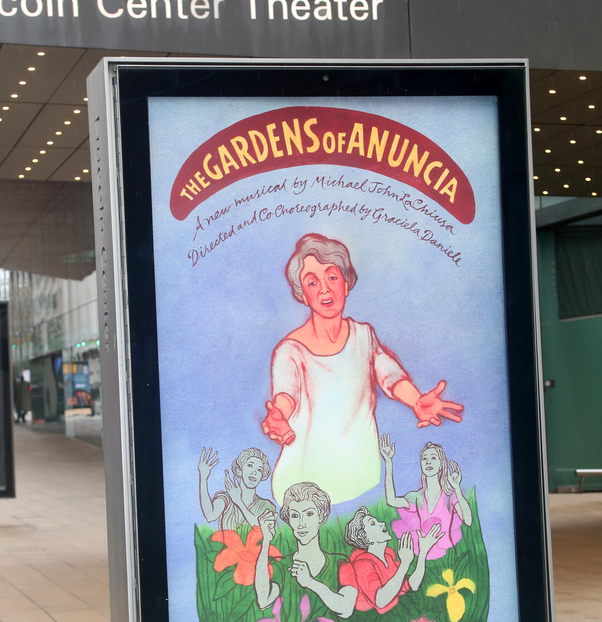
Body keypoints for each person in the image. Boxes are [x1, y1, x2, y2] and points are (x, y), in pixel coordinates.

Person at [262, 233, 463, 505]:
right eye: (312, 282)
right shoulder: (289, 351)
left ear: (346, 284)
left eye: (332, 277)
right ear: (303, 295)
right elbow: (286, 397)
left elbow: (390, 377)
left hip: (361, 481)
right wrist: (278, 417)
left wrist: (416, 401)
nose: (324, 289)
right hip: (305, 490)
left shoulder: (364, 336)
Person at [254, 481, 357, 620]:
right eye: (295, 516)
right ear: (289, 520)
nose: (301, 523)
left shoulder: (340, 562)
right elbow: (263, 600)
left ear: (320, 517)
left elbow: (346, 608)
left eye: (309, 514)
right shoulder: (282, 566)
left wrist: (310, 583)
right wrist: (266, 540)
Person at [380, 434, 472, 560]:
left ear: (441, 464)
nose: (428, 461)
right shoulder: (416, 497)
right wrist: (388, 461)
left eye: (433, 458)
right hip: (419, 554)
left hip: (449, 554)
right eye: (424, 458)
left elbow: (468, 520)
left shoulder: (450, 495)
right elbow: (392, 500)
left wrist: (456, 488)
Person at [338, 506, 443, 614]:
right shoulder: (362, 564)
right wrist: (405, 564)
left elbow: (413, 584)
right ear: (364, 536)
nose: (382, 523)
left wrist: (423, 552)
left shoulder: (388, 558)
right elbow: (380, 600)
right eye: (373, 524)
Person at [198, 445, 276, 531]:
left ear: (262, 476)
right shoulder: (226, 499)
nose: (254, 472)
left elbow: (262, 531)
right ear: (239, 471)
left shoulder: (266, 506)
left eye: (259, 470)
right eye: (250, 465)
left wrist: (238, 501)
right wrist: (203, 477)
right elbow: (210, 516)